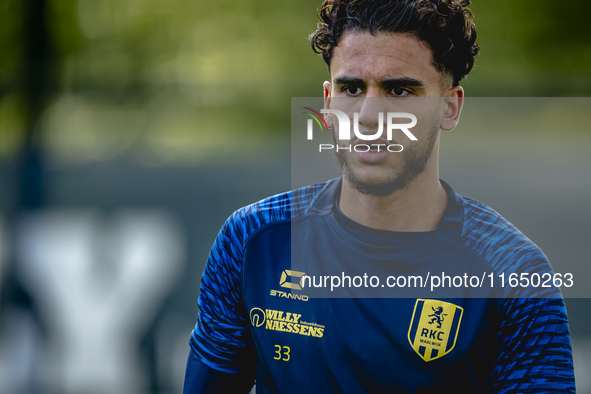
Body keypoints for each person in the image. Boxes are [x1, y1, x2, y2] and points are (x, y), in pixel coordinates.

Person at [183, 0, 576, 392]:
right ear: (327, 102)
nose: (369, 116)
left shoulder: (514, 274)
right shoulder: (253, 239)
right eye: (351, 88)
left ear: (449, 108)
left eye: (400, 89)